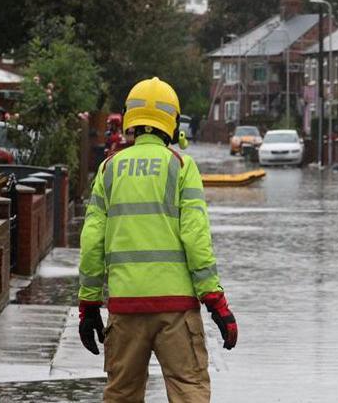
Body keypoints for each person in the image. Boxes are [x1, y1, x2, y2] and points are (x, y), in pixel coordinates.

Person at [78, 77, 238, 403]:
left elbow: (92, 242)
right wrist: (216, 303)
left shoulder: (108, 169)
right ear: (173, 121)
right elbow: (196, 239)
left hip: (125, 308)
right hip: (177, 311)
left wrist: (89, 305)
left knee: (121, 395)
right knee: (189, 391)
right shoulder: (181, 166)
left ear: (130, 119)